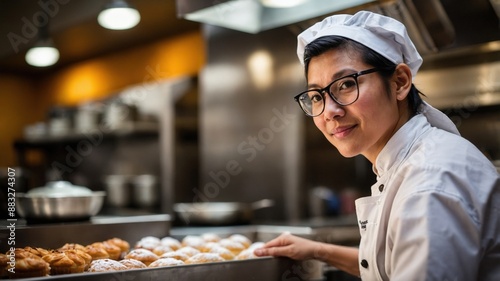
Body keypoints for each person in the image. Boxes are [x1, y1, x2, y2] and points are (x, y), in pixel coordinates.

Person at [253, 10, 500, 281]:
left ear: (399, 82)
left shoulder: (431, 182)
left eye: (346, 84)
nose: (329, 111)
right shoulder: (408, 162)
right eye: (315, 96)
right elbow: (393, 265)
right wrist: (318, 250)